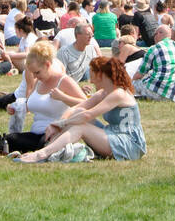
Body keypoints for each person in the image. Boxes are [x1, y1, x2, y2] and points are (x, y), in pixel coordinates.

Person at [15, 56, 146, 163]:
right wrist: (59, 123)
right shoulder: (103, 93)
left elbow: (88, 115)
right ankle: (47, 150)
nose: (91, 80)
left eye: (92, 74)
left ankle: (41, 155)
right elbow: (77, 108)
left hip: (129, 144)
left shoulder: (119, 94)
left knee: (81, 127)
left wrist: (59, 123)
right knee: (77, 114)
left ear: (101, 74)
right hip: (112, 134)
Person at [133, 24, 175, 102]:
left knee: (135, 82)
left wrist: (130, 82)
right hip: (174, 96)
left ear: (158, 34)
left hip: (154, 91)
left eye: (154, 35)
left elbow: (139, 74)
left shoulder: (154, 49)